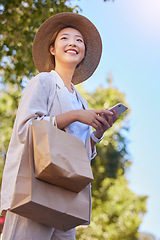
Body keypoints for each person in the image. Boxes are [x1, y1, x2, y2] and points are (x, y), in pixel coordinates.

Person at [0, 12, 117, 240]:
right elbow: (26, 128)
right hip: (35, 189)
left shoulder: (81, 100)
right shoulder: (42, 82)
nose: (73, 42)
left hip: (65, 199)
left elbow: (77, 154)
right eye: (64, 38)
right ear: (52, 49)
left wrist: (98, 133)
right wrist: (74, 116)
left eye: (79, 40)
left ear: (83, 54)